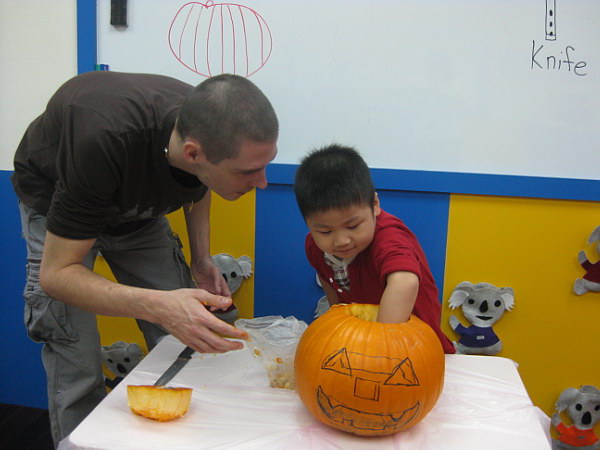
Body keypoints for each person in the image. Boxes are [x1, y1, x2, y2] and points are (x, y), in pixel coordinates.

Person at [11, 70, 278, 445]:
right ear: (192, 152)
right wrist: (158, 305)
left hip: (135, 211)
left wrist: (201, 257)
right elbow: (57, 275)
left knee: (188, 336)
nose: (263, 182)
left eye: (266, 164)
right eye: (249, 171)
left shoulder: (206, 124)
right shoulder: (102, 138)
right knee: (77, 357)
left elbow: (200, 182)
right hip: (58, 205)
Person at [294, 144, 454, 354]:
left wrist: (379, 347)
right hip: (362, 347)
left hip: (416, 350)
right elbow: (333, 292)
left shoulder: (389, 237)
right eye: (325, 231)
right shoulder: (315, 248)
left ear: (375, 205)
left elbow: (404, 282)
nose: (341, 241)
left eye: (353, 226)